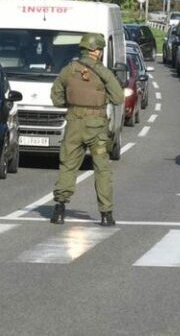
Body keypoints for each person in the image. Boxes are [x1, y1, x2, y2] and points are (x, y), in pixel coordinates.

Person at [50, 33, 125, 226]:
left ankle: (59, 209)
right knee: (102, 169)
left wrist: (72, 103)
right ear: (97, 51)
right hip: (97, 127)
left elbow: (56, 96)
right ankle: (106, 214)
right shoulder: (104, 72)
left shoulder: (69, 70)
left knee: (68, 165)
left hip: (74, 123)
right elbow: (118, 98)